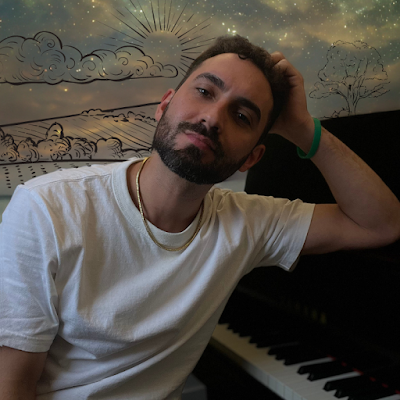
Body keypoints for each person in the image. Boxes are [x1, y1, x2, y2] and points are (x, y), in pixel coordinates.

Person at [0, 35, 399, 400]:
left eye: (242, 116)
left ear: (252, 158)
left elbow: (380, 224)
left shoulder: (249, 223)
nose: (213, 118)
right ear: (165, 104)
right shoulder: (46, 207)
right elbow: (12, 385)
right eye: (205, 92)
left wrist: (302, 129)